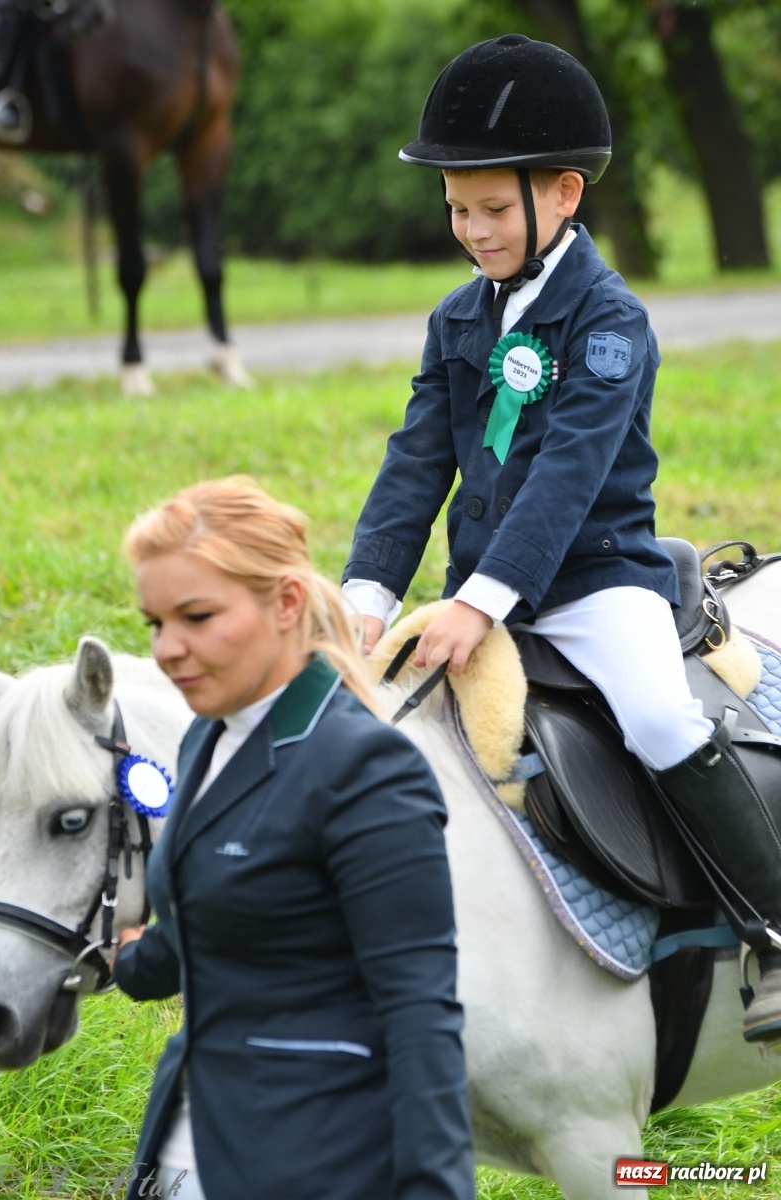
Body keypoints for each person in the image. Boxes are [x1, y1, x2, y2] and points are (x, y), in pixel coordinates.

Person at [342, 33, 781, 1043]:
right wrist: (361, 598)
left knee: (659, 718)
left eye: (492, 209)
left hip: (595, 585)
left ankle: (769, 930)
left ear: (564, 195)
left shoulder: (608, 319)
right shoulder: (457, 321)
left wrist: (478, 601)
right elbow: (414, 466)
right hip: (479, 588)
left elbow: (566, 477)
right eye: (455, 208)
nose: (470, 229)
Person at [113, 476, 476, 1200]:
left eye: (196, 616)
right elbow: (225, 907)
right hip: (185, 1142)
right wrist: (127, 958)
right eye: (156, 623)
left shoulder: (366, 766)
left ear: (284, 603)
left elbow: (419, 1009)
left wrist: (436, 1188)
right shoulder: (205, 738)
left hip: (317, 1162)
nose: (168, 649)